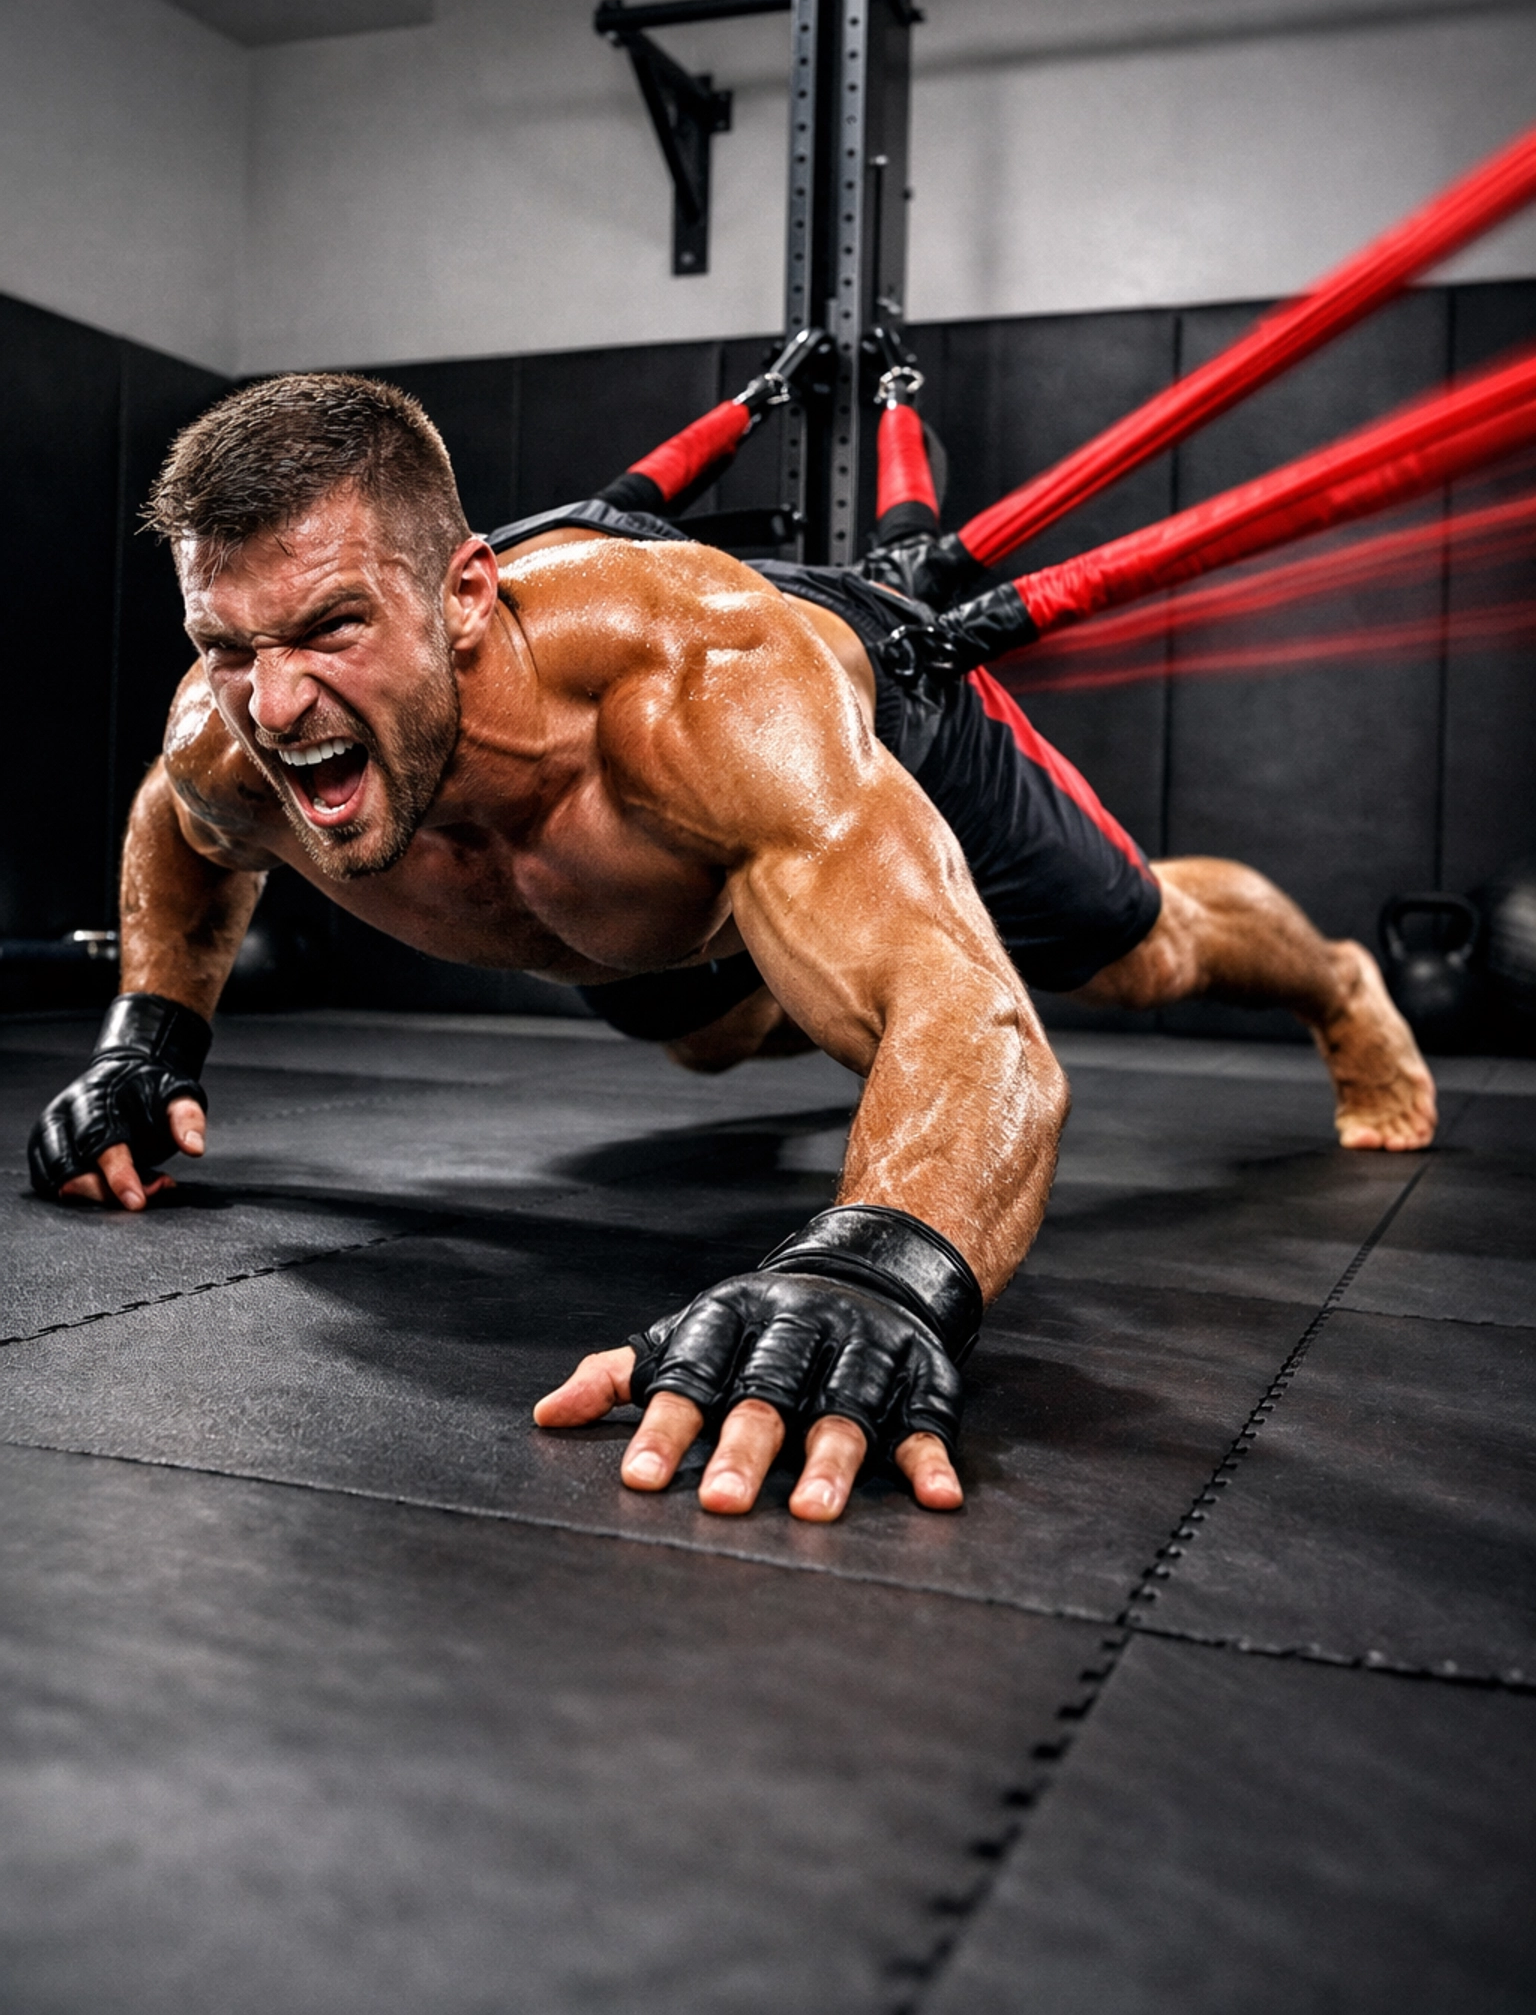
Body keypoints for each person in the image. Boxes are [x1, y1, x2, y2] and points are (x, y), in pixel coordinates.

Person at [27, 375, 1436, 1526]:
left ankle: (1336, 988)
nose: (274, 704)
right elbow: (177, 823)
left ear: (463, 597)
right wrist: (150, 1036)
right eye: (228, 644)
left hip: (880, 732)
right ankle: (780, 959)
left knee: (1142, 958)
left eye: (334, 625)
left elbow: (975, 1022)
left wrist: (882, 1269)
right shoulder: (230, 740)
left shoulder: (701, 693)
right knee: (706, 1036)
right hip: (654, 920)